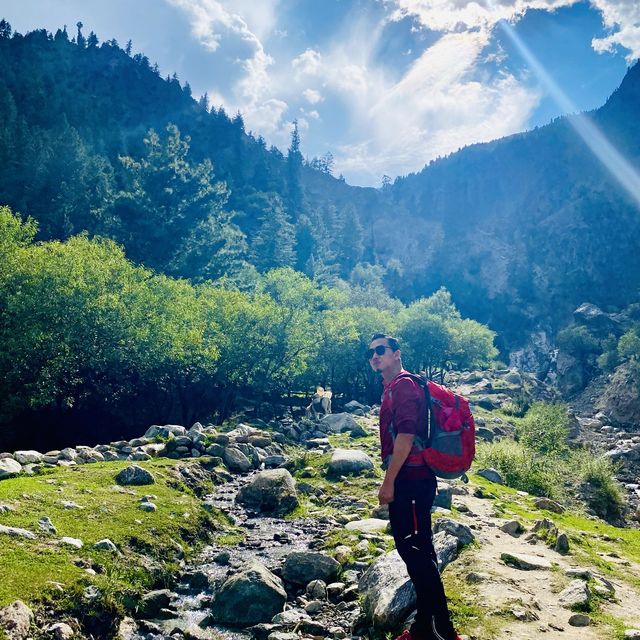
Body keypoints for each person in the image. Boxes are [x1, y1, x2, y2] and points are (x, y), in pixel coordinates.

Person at [367, 333, 462, 640]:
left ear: (396, 352)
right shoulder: (394, 386)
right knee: (421, 552)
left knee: (415, 552)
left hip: (411, 479)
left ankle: (443, 632)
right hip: (413, 479)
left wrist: (388, 482)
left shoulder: (405, 386)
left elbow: (406, 438)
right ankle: (425, 628)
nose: (375, 356)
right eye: (371, 353)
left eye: (381, 350)